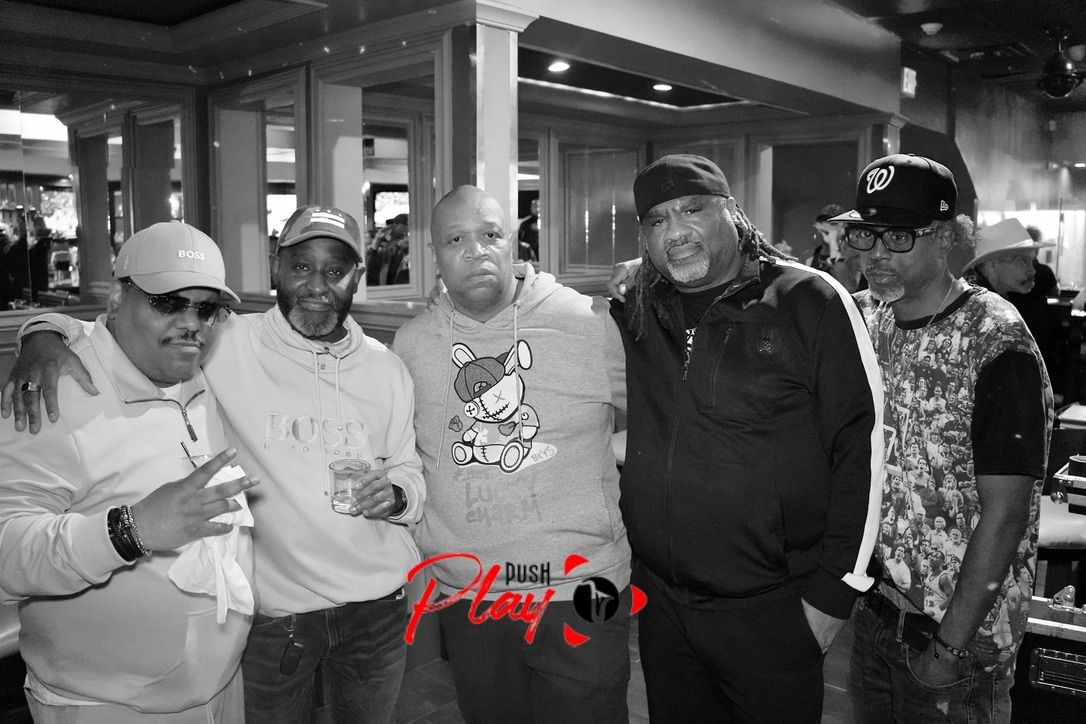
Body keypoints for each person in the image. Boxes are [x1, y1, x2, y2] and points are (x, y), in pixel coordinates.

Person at [3, 205, 426, 724]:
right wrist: (42, 332)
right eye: (301, 266)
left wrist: (398, 495)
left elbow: (410, 469)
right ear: (276, 268)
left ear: (357, 277)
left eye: (335, 270)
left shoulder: (384, 369)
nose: (317, 285)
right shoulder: (225, 345)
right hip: (274, 617)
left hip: (371, 608)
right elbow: (107, 331)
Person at [610, 154, 883, 722]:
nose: (675, 231)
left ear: (732, 212)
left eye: (692, 210)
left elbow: (862, 450)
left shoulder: (811, 300)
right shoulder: (640, 307)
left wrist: (835, 595)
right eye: (657, 220)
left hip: (774, 609)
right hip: (664, 606)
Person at [0, 221, 259, 722]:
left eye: (207, 308)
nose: (192, 323)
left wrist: (45, 325)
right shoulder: (54, 391)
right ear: (119, 298)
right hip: (106, 704)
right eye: (168, 302)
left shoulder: (202, 373)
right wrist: (129, 531)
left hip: (221, 687)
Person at [392, 185, 630, 723]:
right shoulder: (412, 345)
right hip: (470, 593)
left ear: (513, 243)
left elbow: (664, 422)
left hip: (582, 585)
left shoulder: (589, 324)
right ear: (434, 254)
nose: (476, 251)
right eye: (456, 239)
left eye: (490, 234)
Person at [835, 154, 1052, 723]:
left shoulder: (994, 340)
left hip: (957, 638)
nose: (876, 254)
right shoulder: (866, 318)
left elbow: (1006, 512)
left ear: (948, 236)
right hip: (878, 613)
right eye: (866, 235)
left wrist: (948, 649)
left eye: (899, 237)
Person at [806, 203, 866, 293]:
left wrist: (833, 245)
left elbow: (851, 291)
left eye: (833, 224)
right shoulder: (812, 255)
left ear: (843, 227)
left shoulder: (855, 254)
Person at [517, 197, 540, 262]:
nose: (537, 209)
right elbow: (518, 239)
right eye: (534, 206)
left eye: (539, 206)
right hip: (529, 255)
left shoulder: (548, 224)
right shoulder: (525, 223)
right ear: (531, 208)